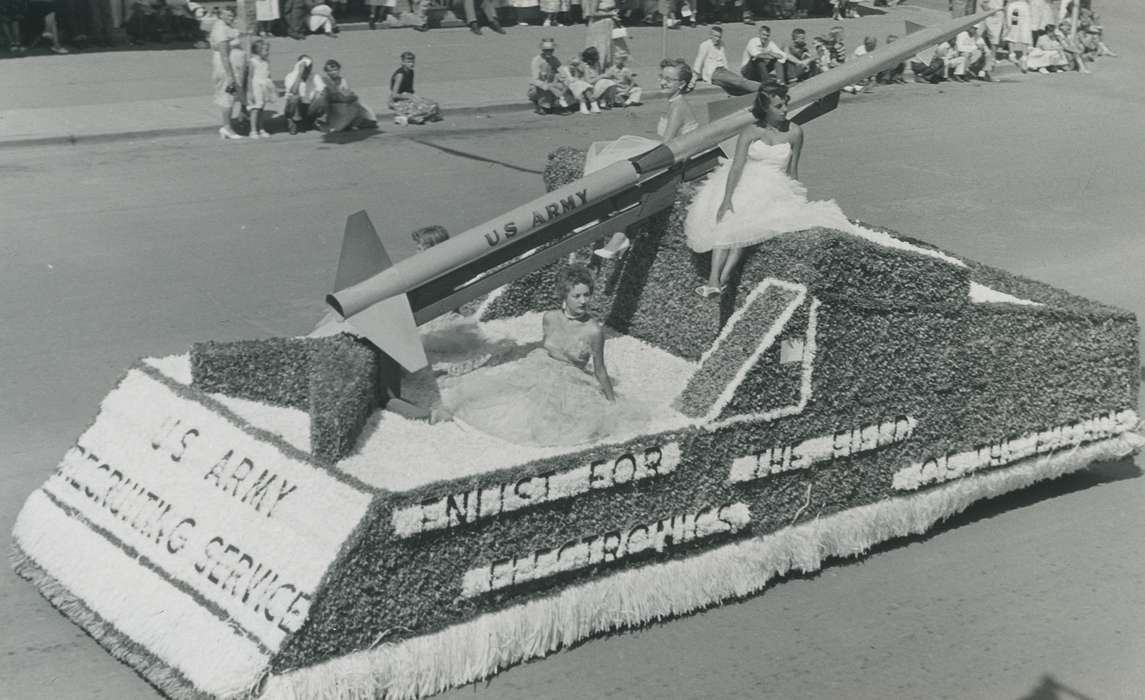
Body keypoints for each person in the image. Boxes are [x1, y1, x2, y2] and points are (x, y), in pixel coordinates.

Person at [440, 264, 648, 447]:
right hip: (540, 366)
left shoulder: (594, 331)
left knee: (553, 426)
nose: (583, 301)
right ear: (564, 296)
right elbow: (545, 345)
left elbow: (600, 369)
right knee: (500, 400)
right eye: (577, 296)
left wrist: (613, 403)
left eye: (587, 295)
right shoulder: (549, 318)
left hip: (571, 380)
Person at [684, 78, 854, 298]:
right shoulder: (750, 132)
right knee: (728, 220)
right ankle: (714, 280)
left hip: (774, 187)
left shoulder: (795, 132)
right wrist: (727, 198)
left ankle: (721, 281)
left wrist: (797, 197)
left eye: (785, 104)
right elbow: (736, 167)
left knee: (746, 227)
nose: (785, 110)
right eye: (778, 106)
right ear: (765, 108)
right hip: (744, 181)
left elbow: (793, 170)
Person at [310, 59, 378, 132]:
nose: (333, 72)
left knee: (357, 102)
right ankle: (320, 120)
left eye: (335, 70)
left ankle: (365, 121)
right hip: (329, 108)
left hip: (340, 105)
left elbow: (347, 95)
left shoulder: (342, 81)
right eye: (330, 70)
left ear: (339, 70)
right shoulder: (324, 81)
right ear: (326, 72)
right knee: (334, 129)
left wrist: (349, 97)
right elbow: (322, 97)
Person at [210, 7, 245, 140]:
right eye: (228, 16)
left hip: (233, 67)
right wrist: (230, 75)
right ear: (221, 16)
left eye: (232, 16)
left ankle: (230, 124)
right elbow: (224, 55)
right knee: (227, 96)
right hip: (225, 68)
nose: (231, 18)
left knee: (232, 96)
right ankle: (226, 127)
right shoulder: (220, 29)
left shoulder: (227, 26)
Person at [389, 51, 443, 125]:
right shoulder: (400, 75)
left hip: (408, 99)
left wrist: (414, 98)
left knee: (434, 106)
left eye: (412, 61)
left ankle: (409, 117)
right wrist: (409, 97)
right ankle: (403, 117)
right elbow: (394, 95)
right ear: (403, 62)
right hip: (398, 101)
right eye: (408, 62)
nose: (411, 64)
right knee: (425, 109)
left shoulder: (411, 72)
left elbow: (410, 91)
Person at [528, 38, 574, 114]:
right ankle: (540, 105)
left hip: (552, 82)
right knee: (544, 94)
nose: (549, 52)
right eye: (546, 50)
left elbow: (562, 71)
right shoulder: (536, 60)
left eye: (551, 50)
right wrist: (549, 87)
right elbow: (535, 79)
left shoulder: (554, 59)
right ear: (542, 50)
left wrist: (567, 79)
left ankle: (559, 106)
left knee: (564, 86)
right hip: (541, 84)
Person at [246, 38, 277, 138]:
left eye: (268, 50)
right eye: (266, 50)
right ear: (258, 51)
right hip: (256, 87)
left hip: (264, 87)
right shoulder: (253, 62)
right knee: (255, 109)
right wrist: (250, 92)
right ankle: (253, 130)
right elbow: (250, 77)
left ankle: (261, 128)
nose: (268, 52)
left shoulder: (266, 62)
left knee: (262, 109)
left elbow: (268, 75)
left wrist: (271, 87)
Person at [283, 55, 318, 134]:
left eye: (310, 65)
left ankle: (311, 120)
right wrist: (299, 74)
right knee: (294, 97)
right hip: (294, 108)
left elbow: (322, 90)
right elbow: (294, 91)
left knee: (322, 96)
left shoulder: (314, 76)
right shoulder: (291, 76)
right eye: (305, 66)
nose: (308, 68)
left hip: (307, 106)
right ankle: (293, 121)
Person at [1003, 0, 1032, 72]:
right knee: (1013, 29)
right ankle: (1012, 55)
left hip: (1024, 7)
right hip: (1014, 7)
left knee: (1026, 30)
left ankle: (1024, 58)